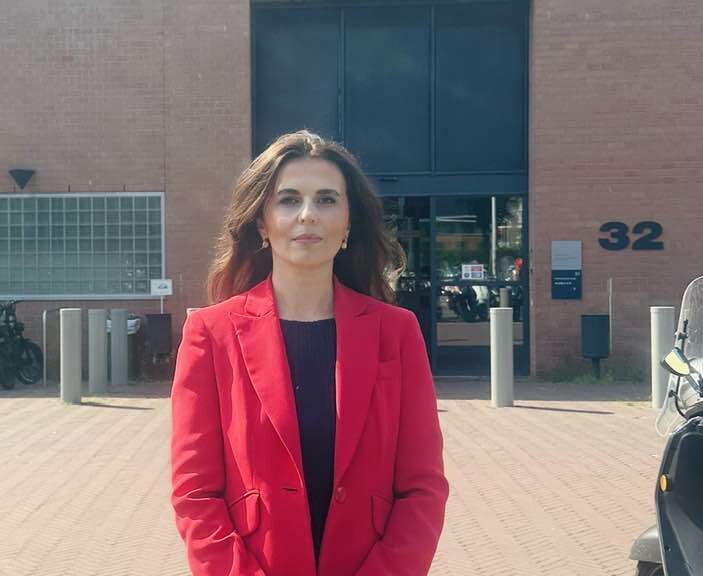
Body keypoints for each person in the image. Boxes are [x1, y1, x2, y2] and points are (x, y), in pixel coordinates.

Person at [170, 130, 449, 576]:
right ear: (262, 223)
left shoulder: (396, 332)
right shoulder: (211, 334)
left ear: (349, 222)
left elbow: (422, 489)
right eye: (288, 200)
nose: (308, 215)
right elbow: (195, 493)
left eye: (326, 199)